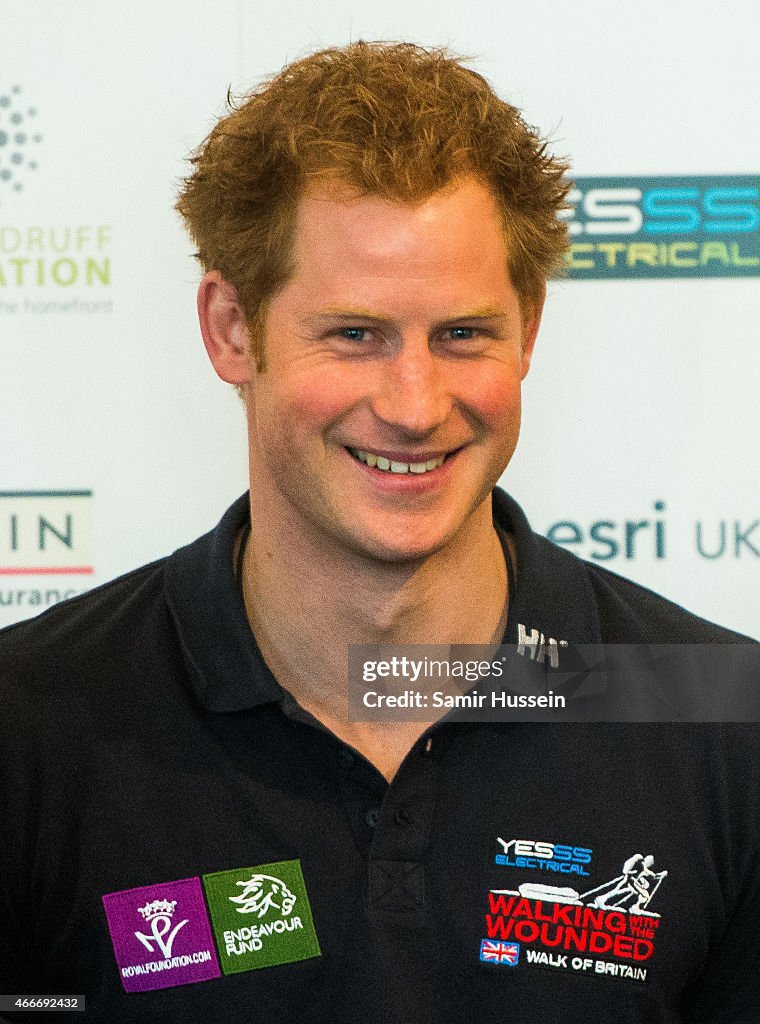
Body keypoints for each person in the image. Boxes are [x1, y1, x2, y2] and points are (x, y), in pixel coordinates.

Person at [0, 41, 758, 1024]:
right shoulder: (32, 724)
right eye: (355, 334)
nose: (414, 404)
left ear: (527, 326)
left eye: (462, 334)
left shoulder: (720, 721)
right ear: (233, 329)